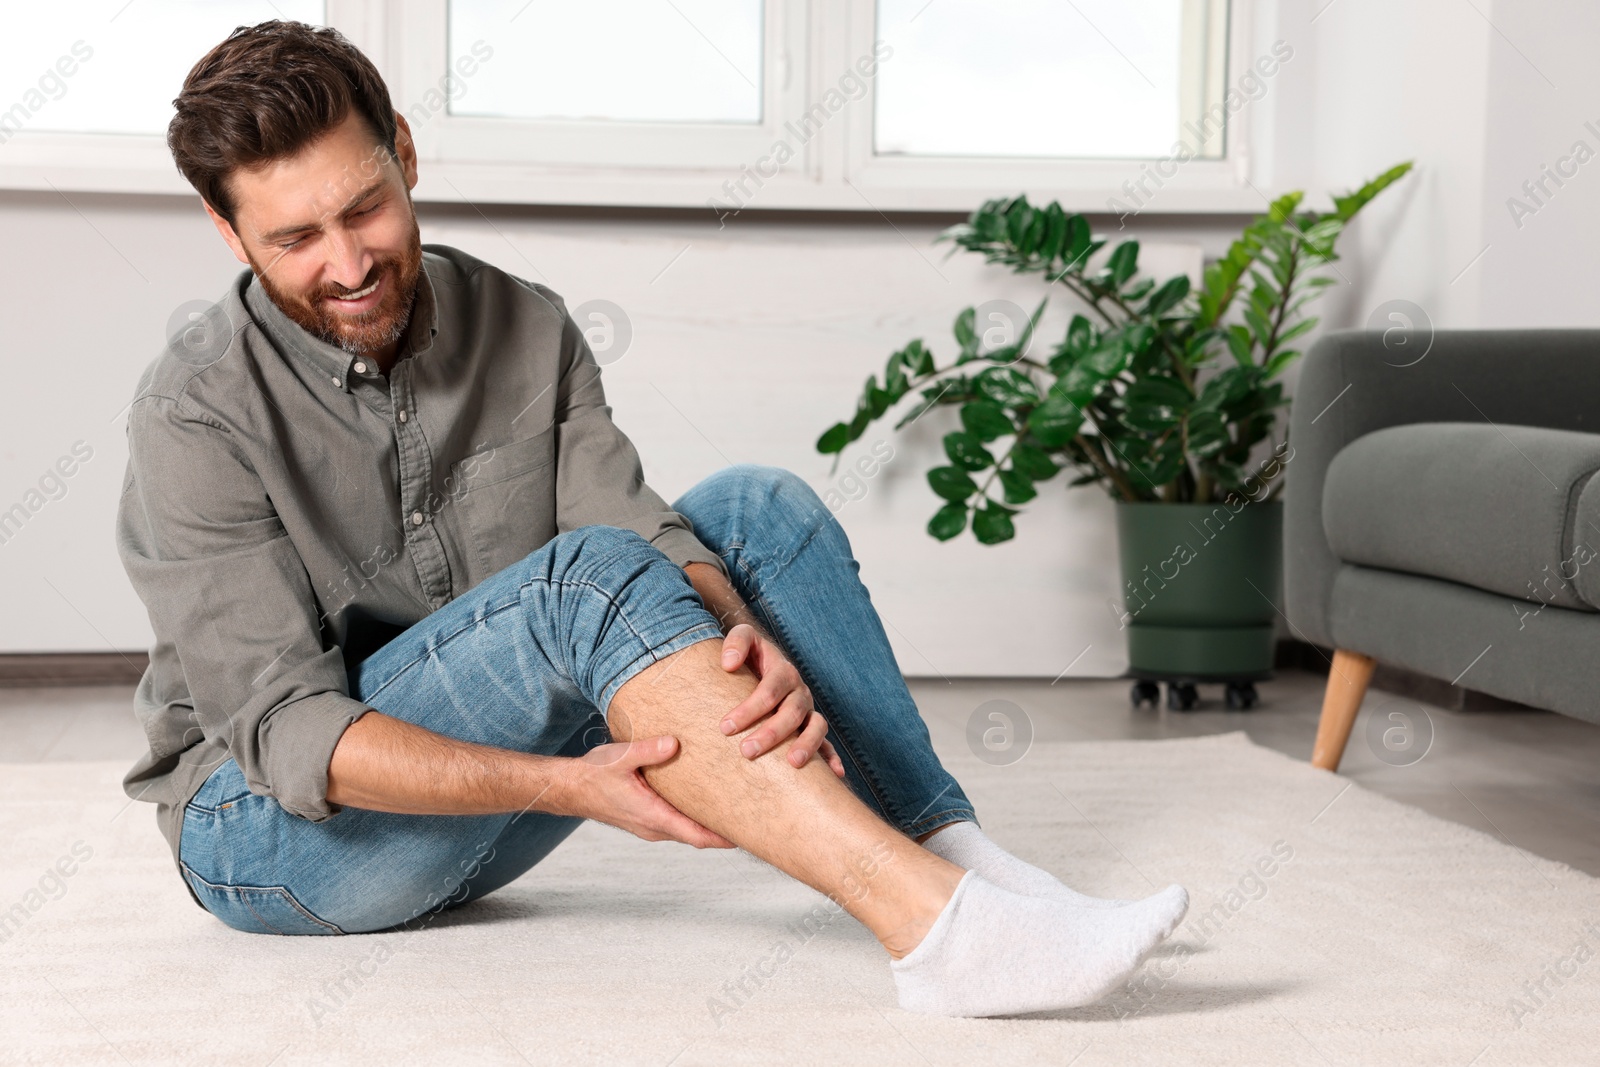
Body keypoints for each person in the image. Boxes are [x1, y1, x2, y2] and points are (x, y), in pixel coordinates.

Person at [115, 20, 1188, 1018]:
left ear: (403, 151)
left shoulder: (522, 323)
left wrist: (747, 632)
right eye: (296, 236)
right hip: (279, 833)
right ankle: (933, 929)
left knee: (755, 510)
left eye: (363, 209)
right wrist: (566, 786)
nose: (347, 264)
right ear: (226, 229)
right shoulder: (192, 411)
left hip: (484, 807)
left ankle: (954, 859)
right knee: (583, 577)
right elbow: (291, 735)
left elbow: (638, 525)